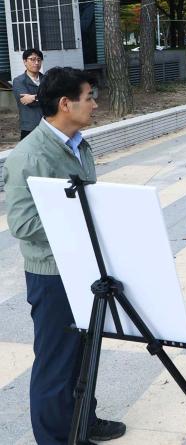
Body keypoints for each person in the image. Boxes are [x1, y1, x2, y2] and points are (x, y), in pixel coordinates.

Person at [3, 67, 126, 444]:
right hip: (52, 275)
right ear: (64, 103)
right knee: (56, 363)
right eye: (89, 96)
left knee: (85, 355)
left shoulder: (78, 143)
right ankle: (56, 439)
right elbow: (23, 225)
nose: (94, 103)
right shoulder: (28, 155)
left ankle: (82, 422)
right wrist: (80, 227)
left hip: (84, 268)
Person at [12, 48, 45, 140]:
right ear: (25, 62)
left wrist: (34, 97)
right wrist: (45, 97)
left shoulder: (47, 79)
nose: (36, 63)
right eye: (32, 59)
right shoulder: (19, 81)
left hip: (48, 125)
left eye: (39, 60)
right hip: (30, 127)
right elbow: (28, 102)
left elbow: (54, 97)